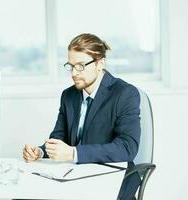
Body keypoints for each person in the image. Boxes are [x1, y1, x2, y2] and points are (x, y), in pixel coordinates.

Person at [22, 33, 141, 200]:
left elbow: (127, 148)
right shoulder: (68, 95)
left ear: (100, 64)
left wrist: (73, 153)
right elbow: (59, 137)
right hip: (75, 177)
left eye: (80, 66)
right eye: (71, 66)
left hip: (111, 179)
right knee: (26, 193)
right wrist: (41, 152)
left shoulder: (125, 94)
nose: (74, 73)